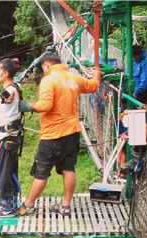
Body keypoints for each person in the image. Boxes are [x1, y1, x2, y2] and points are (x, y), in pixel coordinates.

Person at [18, 53, 101, 216]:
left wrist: (27, 106)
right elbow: (93, 85)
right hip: (73, 131)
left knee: (41, 171)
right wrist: (97, 72)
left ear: (46, 66)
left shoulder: (49, 80)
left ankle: (27, 206)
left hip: (53, 134)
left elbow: (45, 105)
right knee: (68, 169)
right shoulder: (73, 78)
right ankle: (65, 205)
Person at [0, 58, 23, 218]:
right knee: (7, 173)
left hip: (8, 140)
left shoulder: (11, 89)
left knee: (3, 174)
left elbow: (8, 96)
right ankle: (7, 205)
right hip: (8, 139)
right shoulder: (12, 88)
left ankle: (8, 208)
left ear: (5, 73)